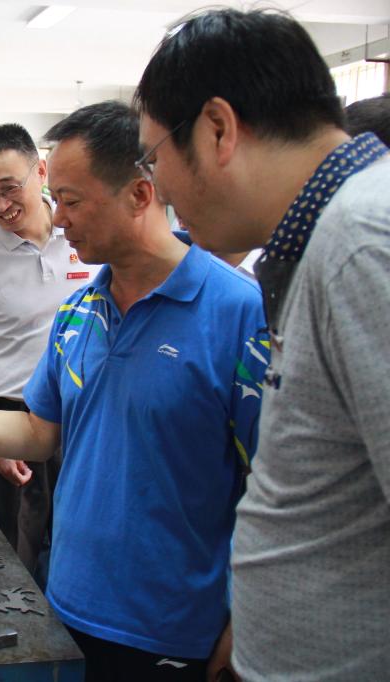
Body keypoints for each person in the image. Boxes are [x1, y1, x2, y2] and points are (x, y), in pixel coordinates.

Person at [0, 101, 268, 681]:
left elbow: (277, 489)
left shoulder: (240, 314)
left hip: (172, 624)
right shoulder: (80, 311)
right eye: (55, 199)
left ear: (140, 194)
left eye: (71, 201)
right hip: (71, 605)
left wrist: (250, 621)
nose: (57, 218)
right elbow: (37, 432)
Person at [134, 9, 390, 680]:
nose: (160, 187)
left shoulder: (362, 243)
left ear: (217, 128)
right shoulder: (331, 238)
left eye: (154, 157)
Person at [0, 123, 100, 580]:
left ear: (40, 171)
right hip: (12, 414)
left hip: (85, 415)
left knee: (81, 543)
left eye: (10, 188)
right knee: (13, 554)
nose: (0, 205)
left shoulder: (85, 236)